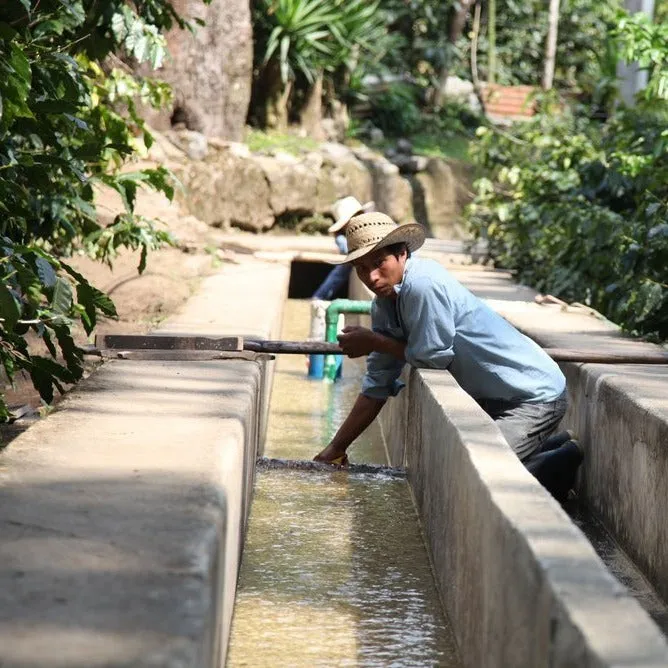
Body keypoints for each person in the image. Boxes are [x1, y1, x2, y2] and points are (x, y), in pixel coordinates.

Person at [314, 212, 583, 504]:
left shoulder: (423, 284)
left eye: (379, 263)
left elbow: (432, 357)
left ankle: (563, 459)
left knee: (476, 475)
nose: (372, 277)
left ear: (402, 253)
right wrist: (335, 449)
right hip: (497, 396)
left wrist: (374, 341)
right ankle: (553, 446)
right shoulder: (384, 306)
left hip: (533, 396)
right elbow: (377, 384)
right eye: (361, 268)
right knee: (460, 468)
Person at [312, 196, 374, 301]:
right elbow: (347, 250)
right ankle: (319, 297)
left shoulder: (373, 225)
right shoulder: (341, 238)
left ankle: (318, 297)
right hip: (355, 255)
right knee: (344, 266)